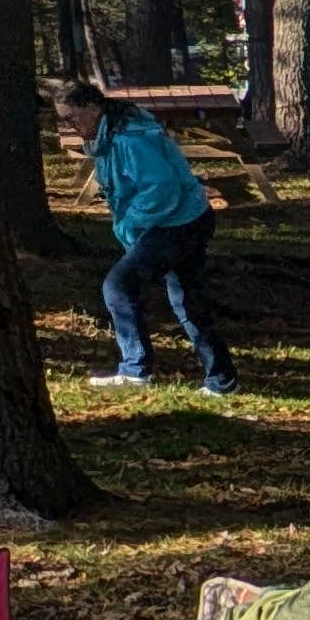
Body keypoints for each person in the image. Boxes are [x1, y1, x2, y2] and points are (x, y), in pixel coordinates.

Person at [55, 83, 234, 395]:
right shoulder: (108, 137)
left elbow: (160, 190)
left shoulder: (129, 138)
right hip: (185, 218)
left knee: (119, 285)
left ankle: (135, 369)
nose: (69, 126)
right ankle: (222, 380)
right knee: (188, 300)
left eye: (71, 117)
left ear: (93, 108)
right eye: (63, 120)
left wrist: (131, 224)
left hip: (177, 222)